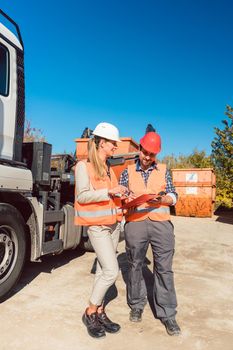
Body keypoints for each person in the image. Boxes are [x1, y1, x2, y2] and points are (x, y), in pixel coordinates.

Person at [119, 131, 181, 336]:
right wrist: (126, 198)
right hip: (135, 223)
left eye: (152, 155)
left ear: (157, 155)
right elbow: (121, 195)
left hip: (161, 224)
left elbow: (174, 195)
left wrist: (164, 200)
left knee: (164, 268)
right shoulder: (128, 171)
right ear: (139, 149)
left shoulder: (164, 170)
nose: (147, 157)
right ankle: (137, 304)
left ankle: (168, 314)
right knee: (135, 265)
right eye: (145, 152)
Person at [74, 122, 128, 339]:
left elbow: (112, 194)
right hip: (98, 227)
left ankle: (100, 312)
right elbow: (82, 196)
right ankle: (89, 311)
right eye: (113, 143)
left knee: (101, 271)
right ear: (102, 143)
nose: (116, 146)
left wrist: (124, 194)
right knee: (111, 271)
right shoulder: (83, 166)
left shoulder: (107, 168)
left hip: (113, 225)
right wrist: (109, 191)